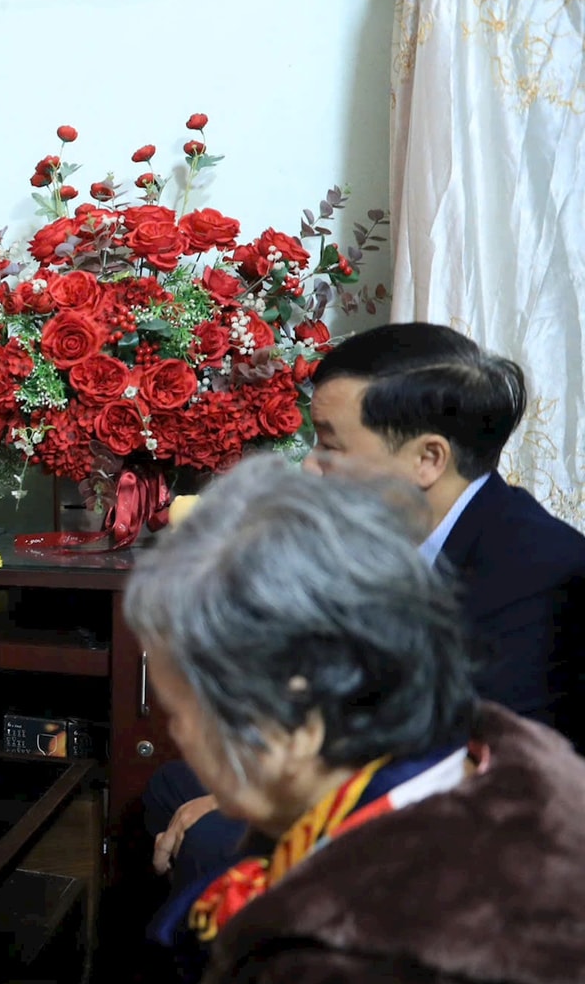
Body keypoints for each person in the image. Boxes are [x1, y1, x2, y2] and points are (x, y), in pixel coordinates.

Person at [0, 456, 585, 984]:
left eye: (182, 711)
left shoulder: (393, 961)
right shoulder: (461, 761)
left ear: (294, 711)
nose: (181, 739)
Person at [149, 323, 585, 904]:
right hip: (400, 773)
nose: (311, 467)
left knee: (212, 838)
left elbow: (467, 761)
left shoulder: (535, 569)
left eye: (330, 446)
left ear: (427, 458)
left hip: (483, 828)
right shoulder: (404, 537)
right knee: (172, 786)